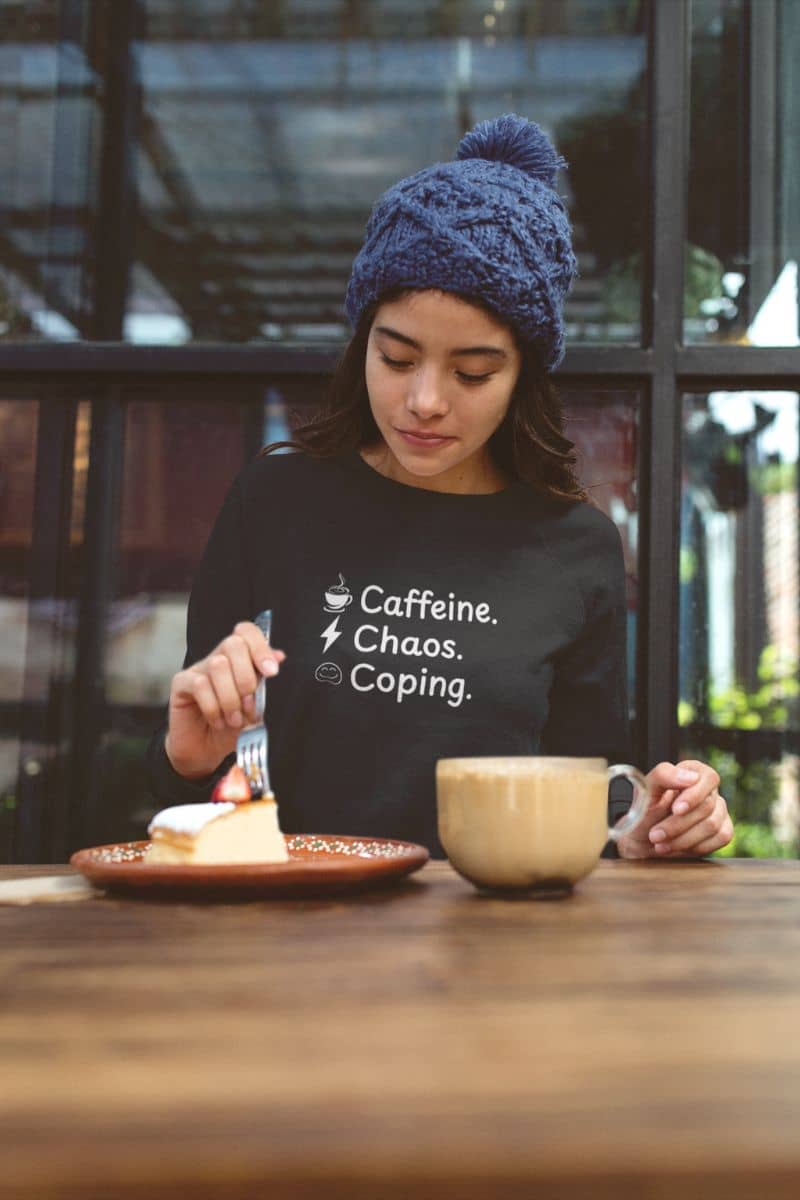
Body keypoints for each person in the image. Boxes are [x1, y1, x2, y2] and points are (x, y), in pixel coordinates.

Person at [147, 114, 733, 861]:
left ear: (523, 377)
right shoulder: (275, 501)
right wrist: (191, 756)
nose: (425, 400)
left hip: (490, 942)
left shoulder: (575, 546)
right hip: (290, 932)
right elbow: (210, 766)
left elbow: (593, 791)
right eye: (396, 359)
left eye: (473, 373)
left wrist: (659, 823)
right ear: (363, 343)